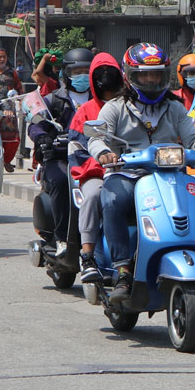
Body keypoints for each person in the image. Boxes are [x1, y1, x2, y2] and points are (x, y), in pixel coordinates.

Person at [87, 43, 195, 303]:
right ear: (130, 76)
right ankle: (123, 270)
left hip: (170, 176)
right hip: (127, 174)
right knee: (112, 201)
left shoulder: (175, 107)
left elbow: (192, 137)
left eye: (156, 74)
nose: (151, 80)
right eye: (145, 75)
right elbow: (97, 137)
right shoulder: (115, 107)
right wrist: (104, 153)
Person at [27, 47, 94, 257]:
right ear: (67, 73)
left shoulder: (100, 100)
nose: (81, 76)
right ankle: (62, 237)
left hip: (93, 157)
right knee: (60, 182)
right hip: (60, 157)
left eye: (86, 71)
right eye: (76, 71)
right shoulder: (53, 99)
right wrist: (42, 137)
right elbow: (35, 123)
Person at [67, 52, 125, 283]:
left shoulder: (131, 107)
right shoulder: (85, 111)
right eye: (101, 74)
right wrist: (101, 161)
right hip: (98, 174)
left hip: (130, 172)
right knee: (92, 196)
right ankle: (88, 255)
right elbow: (76, 149)